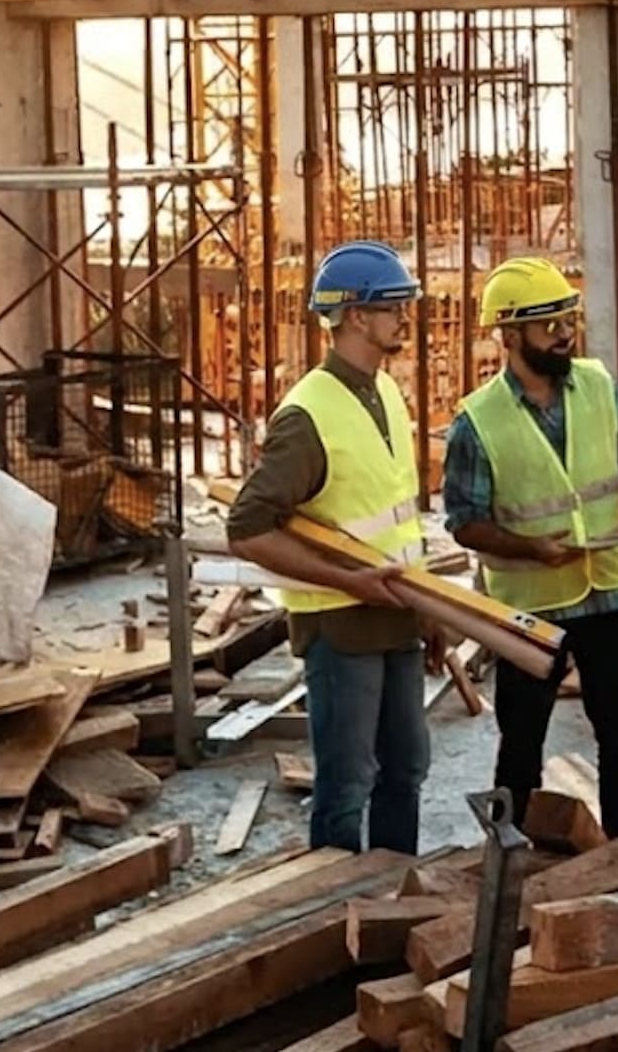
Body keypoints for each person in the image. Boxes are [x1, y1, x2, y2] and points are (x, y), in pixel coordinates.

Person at [228, 240, 440, 856]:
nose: (405, 317)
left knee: (406, 772)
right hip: (341, 627)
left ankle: (394, 903)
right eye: (393, 306)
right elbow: (248, 528)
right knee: (346, 785)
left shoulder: (386, 394)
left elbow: (397, 520)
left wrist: (426, 609)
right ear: (354, 316)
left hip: (397, 615)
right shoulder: (307, 414)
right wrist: (349, 583)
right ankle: (333, 919)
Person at [443, 257, 618, 835]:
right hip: (528, 606)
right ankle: (511, 856)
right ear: (511, 335)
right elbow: (464, 523)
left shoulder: (598, 387)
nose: (566, 333)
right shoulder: (478, 421)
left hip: (604, 593)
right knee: (521, 742)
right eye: (551, 325)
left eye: (570, 319)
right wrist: (528, 546)